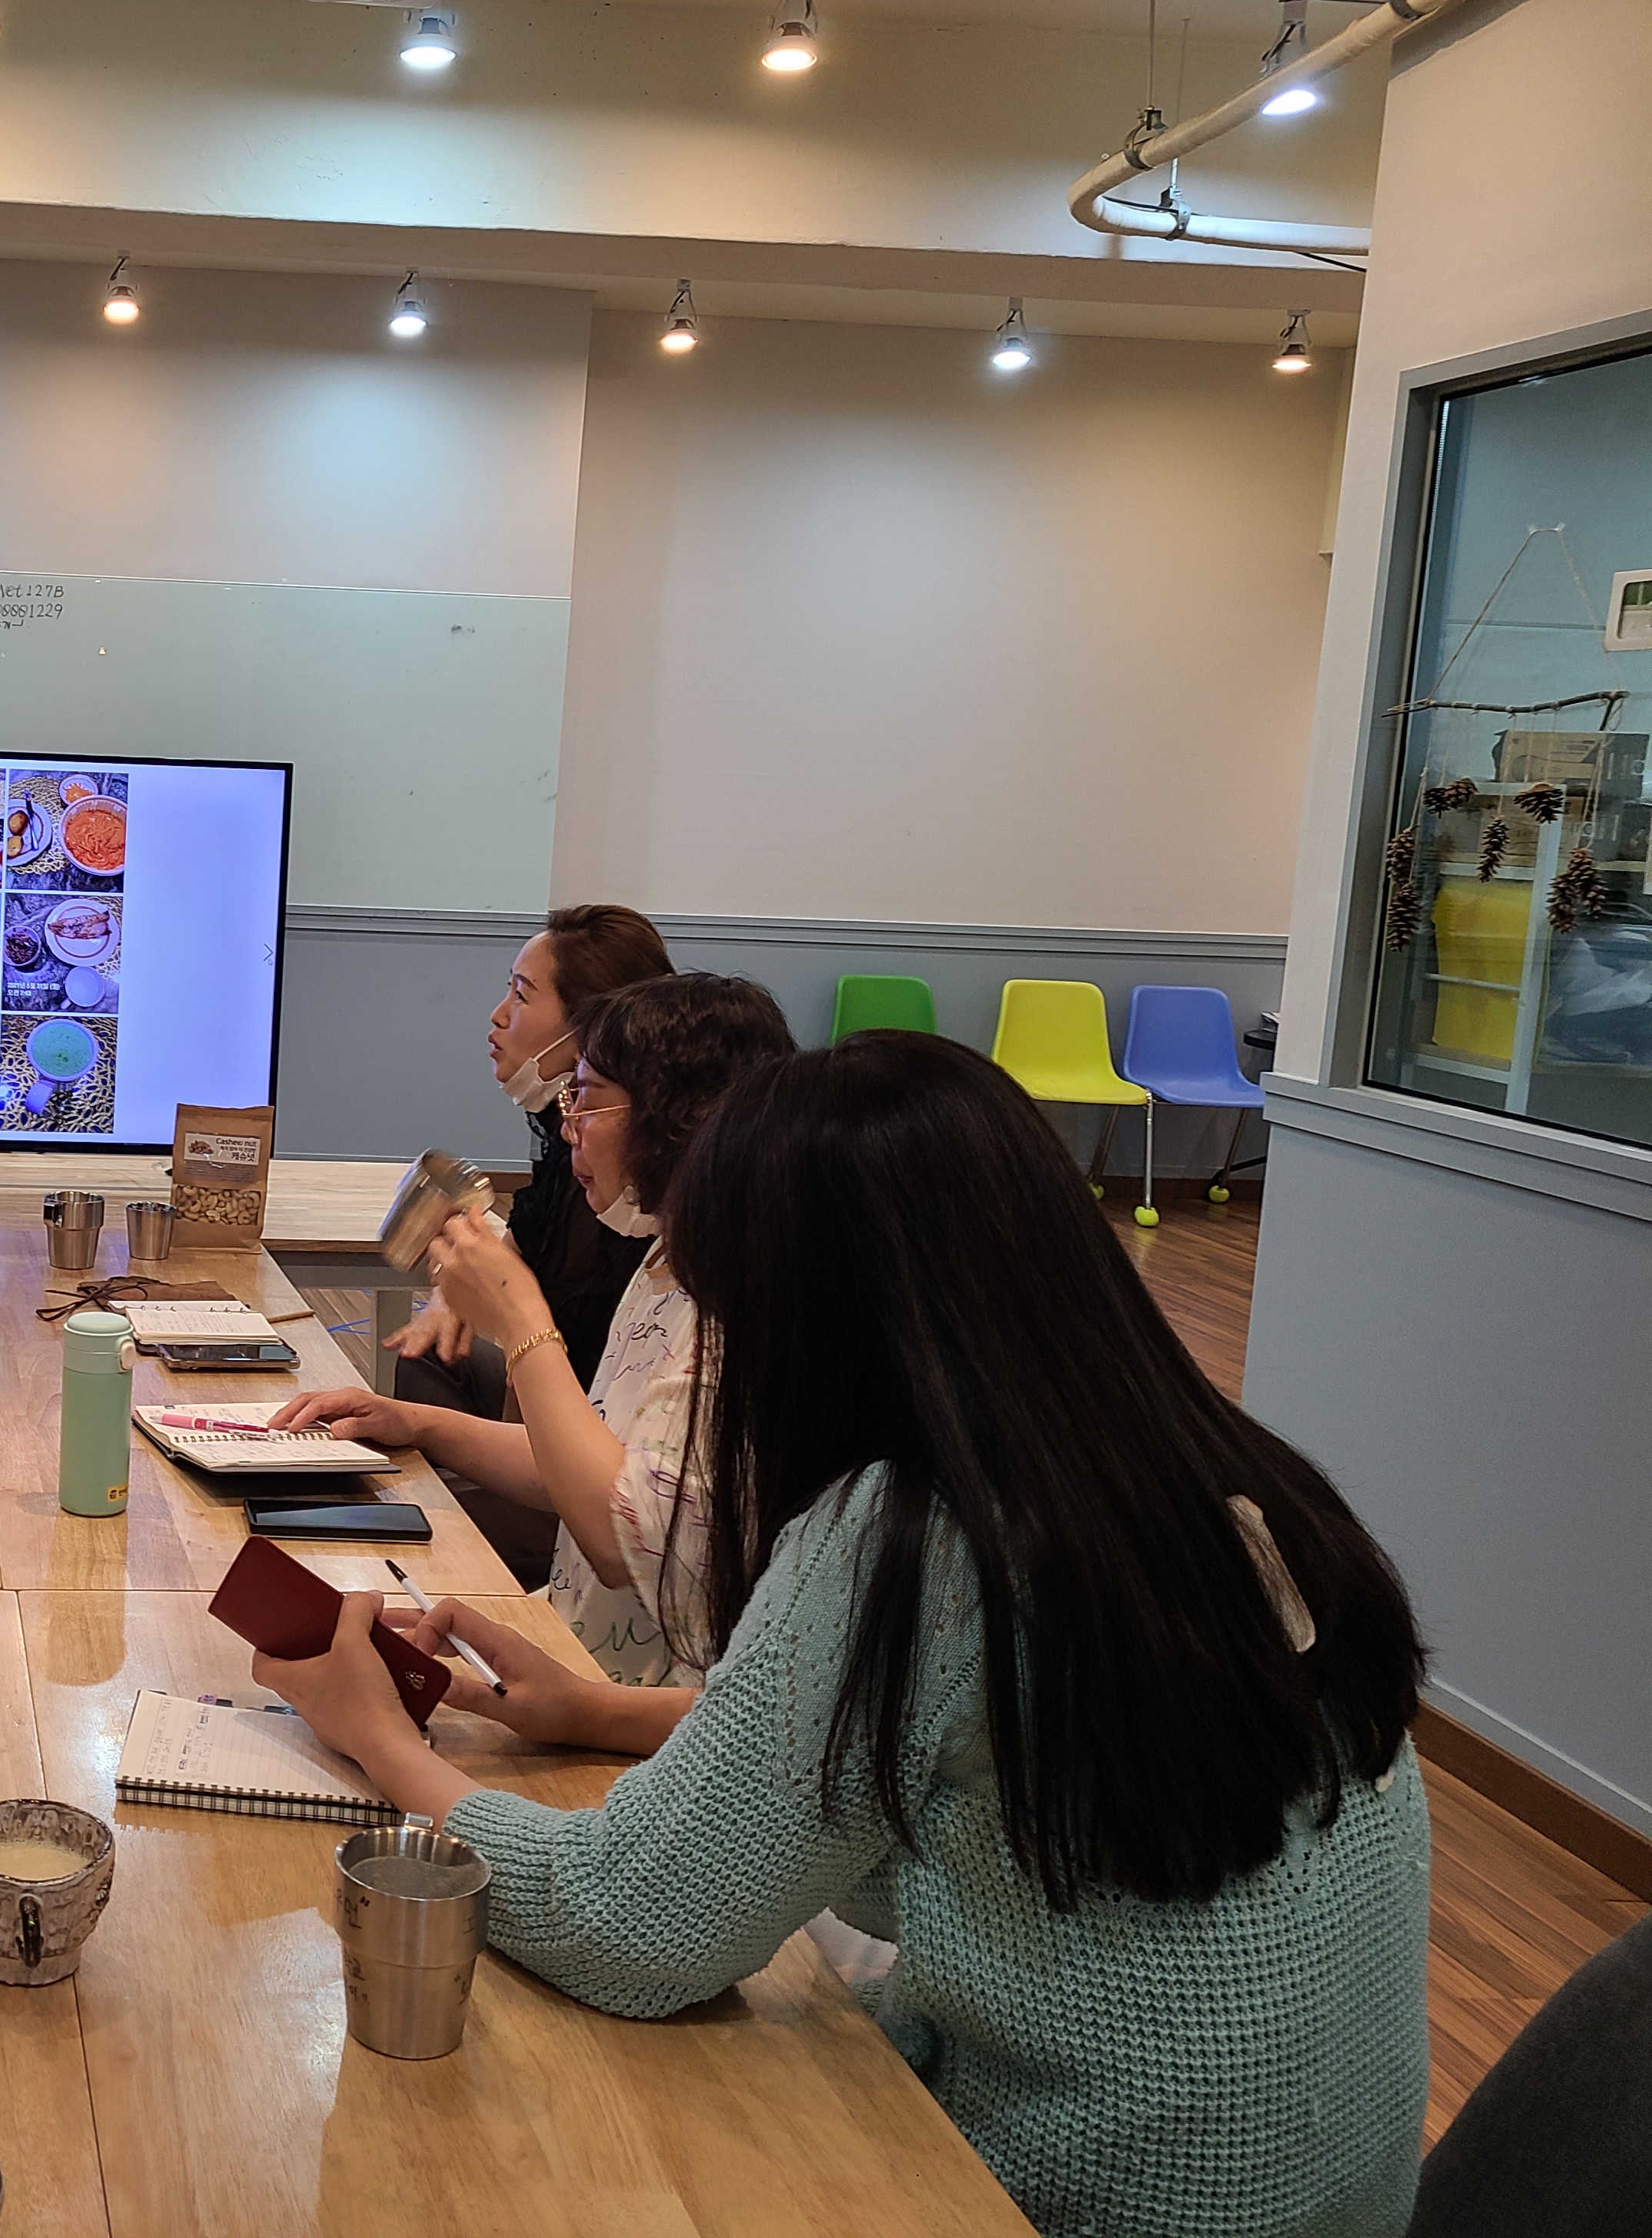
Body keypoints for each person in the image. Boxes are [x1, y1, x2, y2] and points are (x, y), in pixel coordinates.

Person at [253, 1032, 1433, 2238]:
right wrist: (599, 1711)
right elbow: (951, 1776)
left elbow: (622, 1927)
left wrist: (383, 1746)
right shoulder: (1239, 1480)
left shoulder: (920, 1537)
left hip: (1060, 2202)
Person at [276, 975, 794, 1721]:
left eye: (589, 1098)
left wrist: (523, 1319)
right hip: (574, 1657)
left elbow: (620, 1540)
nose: (569, 1124)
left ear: (679, 1118)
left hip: (642, 1718)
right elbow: (591, 1465)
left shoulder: (738, 1307)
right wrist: (418, 1424)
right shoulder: (665, 1261)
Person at [397, 906, 674, 1581]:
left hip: (604, 1476)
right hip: (575, 1445)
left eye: (521, 996)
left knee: (423, 1530)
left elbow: (620, 1527)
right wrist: (461, 1294)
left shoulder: (651, 1232)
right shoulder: (564, 1146)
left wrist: (515, 1313)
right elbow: (523, 1249)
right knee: (425, 1360)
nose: (498, 1017)